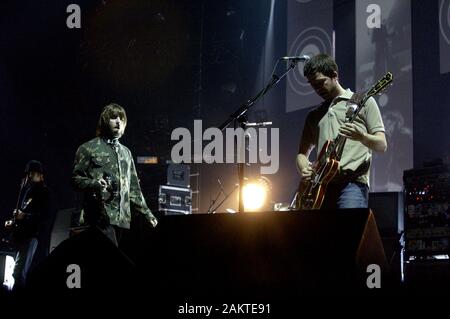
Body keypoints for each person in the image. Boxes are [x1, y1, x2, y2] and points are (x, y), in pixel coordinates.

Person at [296, 54, 387, 210]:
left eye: (320, 83)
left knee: (348, 232)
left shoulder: (364, 102)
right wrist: (304, 168)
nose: (317, 89)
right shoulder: (314, 115)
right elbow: (301, 154)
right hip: (321, 187)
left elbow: (381, 145)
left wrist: (362, 136)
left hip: (352, 186)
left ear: (334, 75)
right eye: (313, 85)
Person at [72, 103, 157, 249]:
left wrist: (149, 215)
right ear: (105, 121)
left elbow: (134, 190)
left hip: (123, 221)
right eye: (113, 117)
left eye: (121, 119)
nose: (118, 121)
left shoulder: (126, 153)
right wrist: (94, 183)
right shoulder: (88, 148)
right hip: (98, 218)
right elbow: (75, 179)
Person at [4, 160, 51, 290]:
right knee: (16, 273)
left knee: (19, 273)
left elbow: (45, 217)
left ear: (40, 174)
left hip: (32, 237)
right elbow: (24, 214)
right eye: (29, 173)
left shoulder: (44, 192)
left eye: (32, 173)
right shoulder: (28, 192)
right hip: (22, 236)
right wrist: (13, 222)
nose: (29, 176)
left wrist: (23, 216)